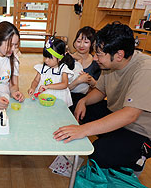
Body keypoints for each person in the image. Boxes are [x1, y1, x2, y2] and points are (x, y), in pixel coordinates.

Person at [53, 22, 151, 172]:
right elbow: (101, 91)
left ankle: (138, 158)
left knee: (100, 153)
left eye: (99, 54)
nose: (95, 58)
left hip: (139, 130)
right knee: (75, 102)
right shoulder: (108, 65)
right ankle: (110, 139)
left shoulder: (145, 69)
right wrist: (83, 101)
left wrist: (83, 130)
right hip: (115, 114)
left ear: (119, 55)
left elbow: (130, 115)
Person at [28, 37, 75, 107]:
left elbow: (64, 84)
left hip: (58, 99)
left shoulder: (63, 69)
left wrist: (48, 86)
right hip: (43, 97)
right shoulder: (42, 68)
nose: (46, 60)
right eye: (45, 57)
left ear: (59, 58)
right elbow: (36, 80)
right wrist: (32, 87)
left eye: (49, 58)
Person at [69, 26, 101, 113]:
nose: (81, 45)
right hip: (67, 98)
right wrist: (78, 81)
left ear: (92, 44)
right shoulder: (67, 60)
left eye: (86, 42)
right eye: (79, 41)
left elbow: (101, 89)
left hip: (88, 100)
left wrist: (92, 81)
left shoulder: (97, 62)